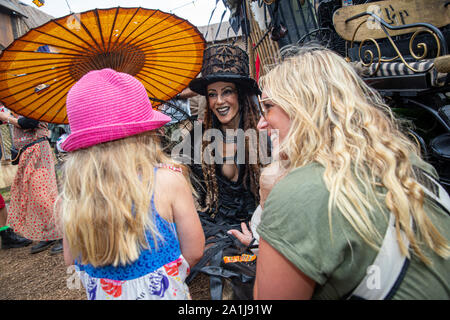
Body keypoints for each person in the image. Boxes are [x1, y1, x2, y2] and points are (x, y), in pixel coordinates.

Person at [254, 44, 450, 300]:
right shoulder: (406, 163)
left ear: (304, 108)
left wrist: (270, 199)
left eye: (267, 107)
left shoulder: (299, 193)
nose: (260, 123)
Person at [59, 68, 205, 300]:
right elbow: (195, 250)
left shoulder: (75, 193)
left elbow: (70, 259)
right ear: (145, 133)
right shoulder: (168, 180)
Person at [187, 44, 268, 227]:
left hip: (262, 228)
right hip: (217, 229)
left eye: (227, 91)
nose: (219, 101)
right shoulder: (198, 138)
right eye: (212, 94)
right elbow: (184, 184)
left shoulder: (263, 132)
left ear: (240, 94)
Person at [0, 112, 63, 255]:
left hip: (39, 151)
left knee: (44, 195)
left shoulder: (32, 103)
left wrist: (7, 118)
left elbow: (31, 122)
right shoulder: (15, 106)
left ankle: (64, 235)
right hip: (27, 152)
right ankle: (49, 234)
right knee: (34, 196)